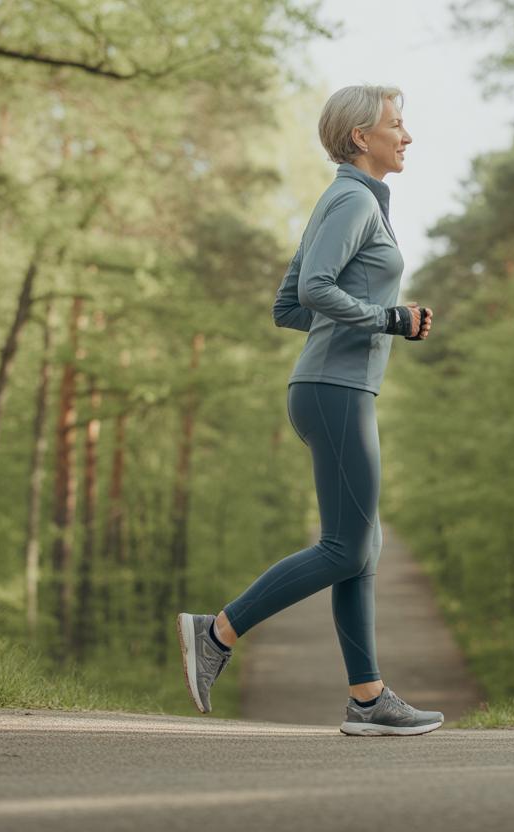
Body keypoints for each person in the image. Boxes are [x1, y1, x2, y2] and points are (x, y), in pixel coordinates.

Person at [177, 84, 440, 737]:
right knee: (346, 546)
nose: (407, 136)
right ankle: (217, 631)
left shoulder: (347, 200)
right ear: (360, 137)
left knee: (361, 546)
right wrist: (389, 318)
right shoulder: (353, 200)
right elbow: (317, 290)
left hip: (332, 387)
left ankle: (368, 698)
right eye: (396, 124)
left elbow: (289, 305)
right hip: (336, 390)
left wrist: (366, 320)